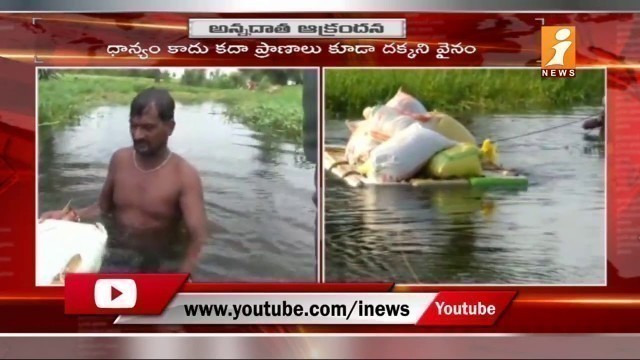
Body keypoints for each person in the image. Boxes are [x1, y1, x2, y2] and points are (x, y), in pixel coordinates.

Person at [39, 88, 208, 274]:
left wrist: (182, 278)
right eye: (133, 126)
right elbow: (102, 207)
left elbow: (198, 238)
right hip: (115, 248)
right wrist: (71, 216)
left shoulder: (184, 175)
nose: (137, 135)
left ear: (170, 127)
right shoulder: (120, 160)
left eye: (147, 127)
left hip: (158, 258)